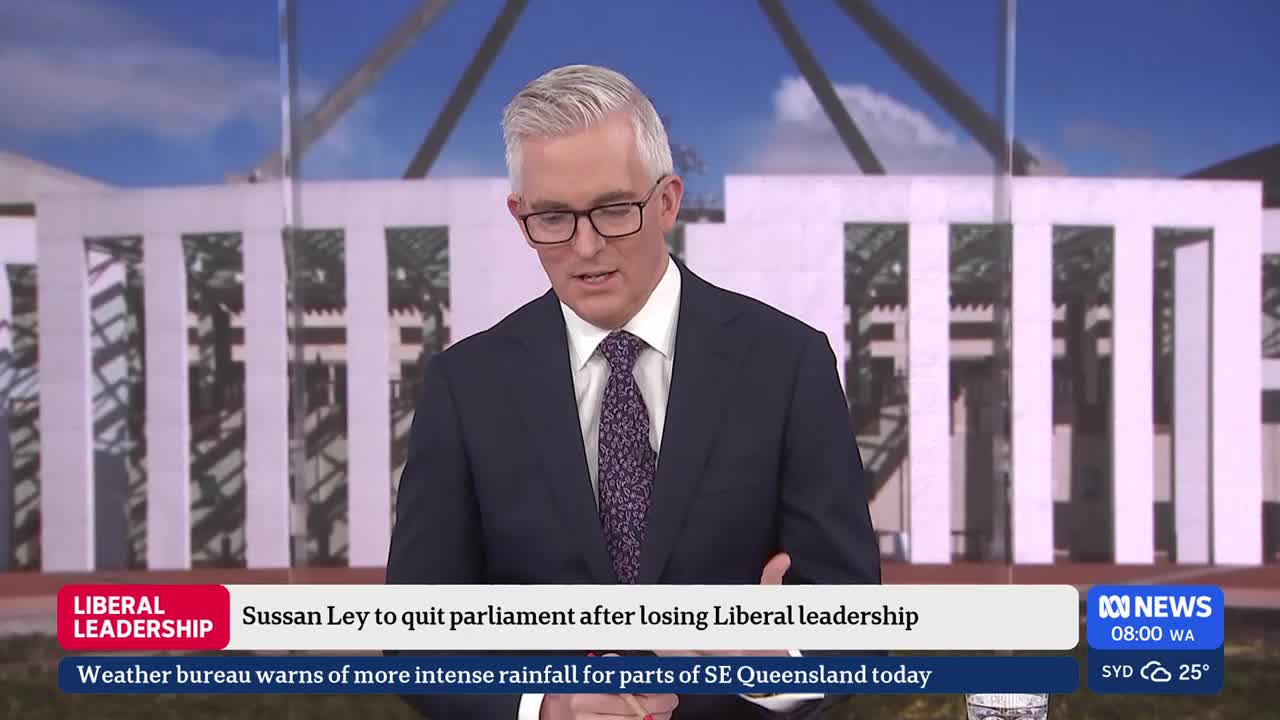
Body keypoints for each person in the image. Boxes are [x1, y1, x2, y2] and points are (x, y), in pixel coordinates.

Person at [386, 64, 881, 720]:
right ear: (519, 215)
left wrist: (778, 665)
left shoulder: (786, 363)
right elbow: (417, 636)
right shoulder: (465, 387)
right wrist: (543, 707)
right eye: (554, 218)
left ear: (668, 202)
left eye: (615, 210)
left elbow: (848, 613)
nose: (586, 247)